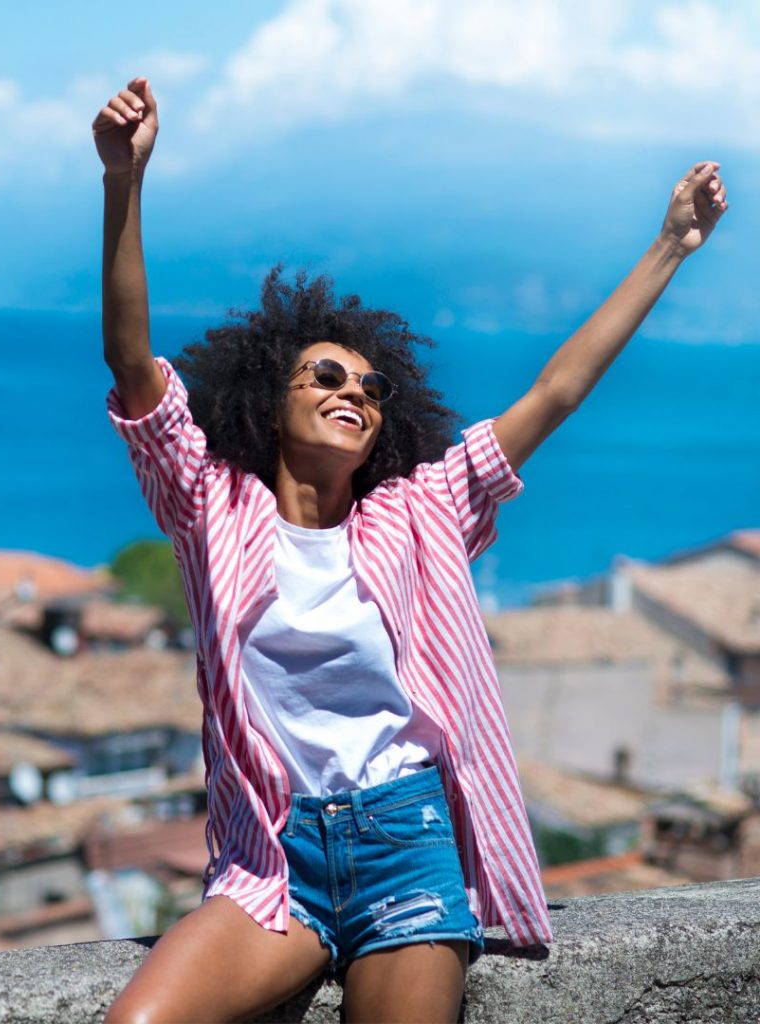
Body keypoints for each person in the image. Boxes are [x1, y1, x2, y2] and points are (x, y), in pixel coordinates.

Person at [92, 76, 728, 1024]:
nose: (356, 390)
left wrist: (670, 245)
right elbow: (134, 366)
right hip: (271, 855)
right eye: (327, 374)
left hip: (407, 841)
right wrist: (123, 183)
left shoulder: (421, 509)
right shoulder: (210, 506)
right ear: (270, 395)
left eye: (373, 384)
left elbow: (552, 394)